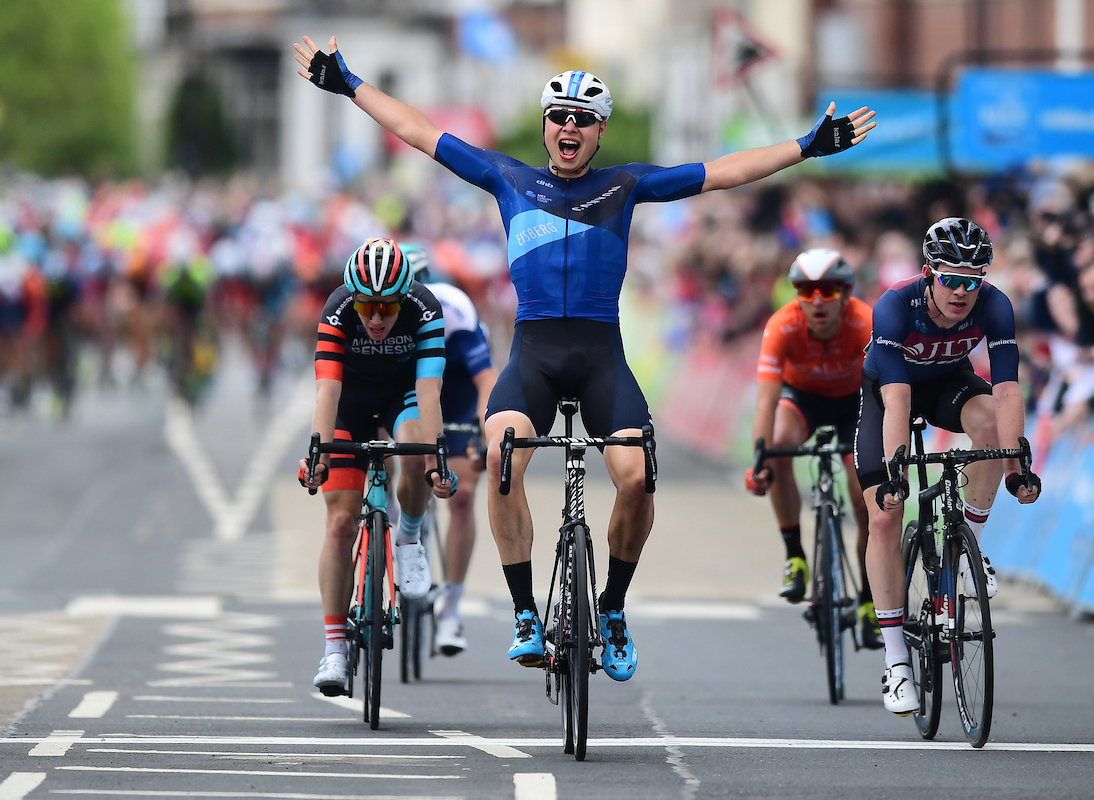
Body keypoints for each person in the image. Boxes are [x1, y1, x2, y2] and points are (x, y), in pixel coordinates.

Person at [294, 35, 875, 681]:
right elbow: (420, 132)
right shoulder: (509, 179)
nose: (568, 127)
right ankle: (523, 614)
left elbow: (724, 170)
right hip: (536, 356)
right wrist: (349, 84)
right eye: (558, 115)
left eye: (583, 118)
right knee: (503, 453)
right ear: (546, 125)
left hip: (601, 356)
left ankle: (614, 609)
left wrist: (807, 145)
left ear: (599, 132)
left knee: (636, 478)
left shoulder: (624, 186)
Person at [854, 217, 1040, 715]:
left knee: (989, 430)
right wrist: (895, 471)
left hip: (946, 385)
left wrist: (1017, 462)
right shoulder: (896, 305)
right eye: (950, 278)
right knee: (884, 515)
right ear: (927, 272)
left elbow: (1005, 389)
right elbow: (896, 400)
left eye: (972, 279)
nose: (962, 291)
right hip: (889, 393)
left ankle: (968, 548)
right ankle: (896, 661)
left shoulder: (995, 305)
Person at [298, 237, 456, 696]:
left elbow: (428, 394)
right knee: (341, 522)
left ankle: (408, 537)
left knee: (413, 446)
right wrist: (318, 456)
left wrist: (435, 459)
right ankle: (334, 651)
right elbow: (327, 392)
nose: (377, 317)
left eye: (387, 306)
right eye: (368, 306)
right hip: (348, 403)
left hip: (401, 397)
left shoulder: (425, 308)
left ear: (404, 296)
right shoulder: (338, 308)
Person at [745, 249, 881, 649]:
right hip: (800, 398)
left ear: (846, 293)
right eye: (807, 291)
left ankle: (871, 602)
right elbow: (766, 404)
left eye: (829, 290)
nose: (818, 300)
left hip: (856, 404)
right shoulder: (781, 325)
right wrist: (759, 460)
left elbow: (883, 395)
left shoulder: (866, 322)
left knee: (864, 499)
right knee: (780, 447)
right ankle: (796, 557)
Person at [400, 242, 498, 656]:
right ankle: (394, 526)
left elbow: (485, 381)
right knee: (398, 461)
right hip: (406, 390)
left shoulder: (454, 307)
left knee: (463, 496)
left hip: (454, 392)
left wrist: (480, 432)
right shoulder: (382, 313)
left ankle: (451, 610)